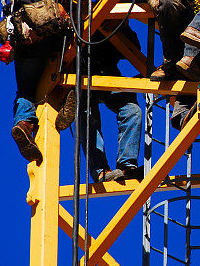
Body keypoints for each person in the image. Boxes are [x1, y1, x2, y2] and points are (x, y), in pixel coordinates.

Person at [2, 0, 81, 164]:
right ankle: (68, 94)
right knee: (76, 58)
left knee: (26, 88)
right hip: (52, 31)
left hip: (23, 36)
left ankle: (24, 123)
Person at [56, 24, 143, 182]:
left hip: (107, 75)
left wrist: (113, 27)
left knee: (132, 111)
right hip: (79, 75)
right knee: (88, 118)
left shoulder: (114, 15)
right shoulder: (77, 16)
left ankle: (127, 165)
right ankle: (101, 171)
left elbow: (133, 47)